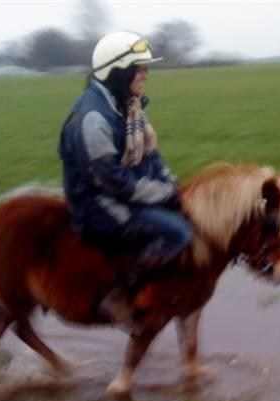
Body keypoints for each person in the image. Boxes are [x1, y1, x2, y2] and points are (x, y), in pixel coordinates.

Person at [58, 31, 192, 332]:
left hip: (125, 193)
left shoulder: (130, 107)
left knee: (189, 213)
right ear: (117, 71)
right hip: (96, 203)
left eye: (146, 68)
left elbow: (151, 158)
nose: (146, 75)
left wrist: (172, 185)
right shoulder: (94, 118)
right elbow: (112, 182)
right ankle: (118, 295)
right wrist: (163, 194)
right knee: (177, 233)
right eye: (139, 68)